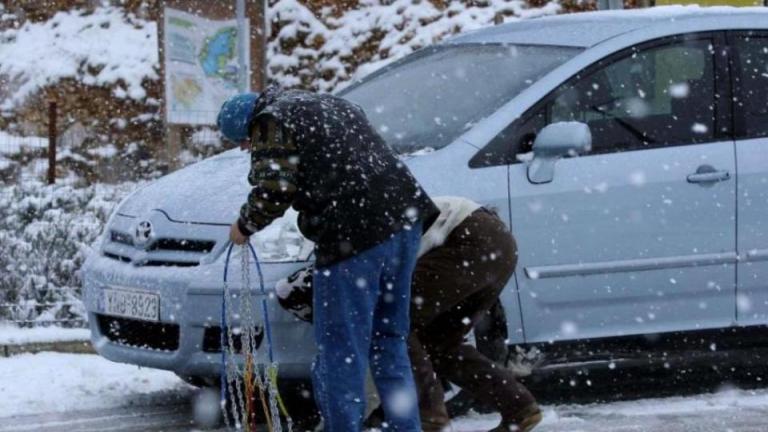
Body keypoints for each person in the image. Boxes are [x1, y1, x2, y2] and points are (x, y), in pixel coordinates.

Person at [217, 87, 438, 431]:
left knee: (341, 349)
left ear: (248, 126)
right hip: (406, 219)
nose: (247, 148)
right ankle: (406, 426)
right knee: (388, 339)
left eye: (243, 141)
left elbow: (275, 188)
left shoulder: (271, 120)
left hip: (353, 233)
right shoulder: (327, 103)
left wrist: (245, 225)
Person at [277, 196, 542, 432]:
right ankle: (519, 409)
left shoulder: (362, 233)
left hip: (467, 240)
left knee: (391, 327)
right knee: (440, 343)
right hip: (496, 243)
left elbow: (376, 297)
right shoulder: (363, 218)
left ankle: (427, 417)